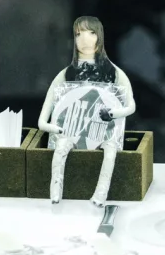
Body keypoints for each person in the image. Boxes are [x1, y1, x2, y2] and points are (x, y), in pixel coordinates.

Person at [37, 15, 135, 207]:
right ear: (73, 39)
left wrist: (112, 114)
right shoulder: (66, 74)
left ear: (100, 36)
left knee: (110, 153)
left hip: (103, 133)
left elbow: (130, 106)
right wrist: (55, 129)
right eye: (79, 34)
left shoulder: (114, 73)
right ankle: (55, 194)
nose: (85, 39)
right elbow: (42, 121)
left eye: (91, 33)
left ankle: (100, 195)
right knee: (59, 150)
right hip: (70, 132)